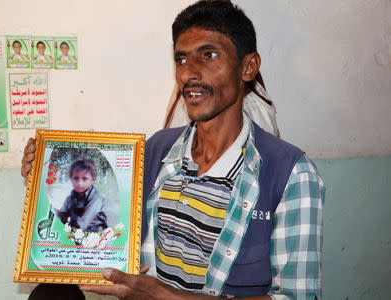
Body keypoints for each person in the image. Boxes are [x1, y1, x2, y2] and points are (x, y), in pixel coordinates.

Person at [21, 1, 324, 299]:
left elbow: (296, 296)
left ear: (248, 67)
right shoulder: (157, 150)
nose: (188, 73)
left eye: (208, 55)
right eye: (181, 59)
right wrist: (44, 176)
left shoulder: (291, 174)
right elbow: (104, 223)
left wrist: (164, 296)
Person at [55, 157, 108, 233]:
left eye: (84, 179)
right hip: (77, 232)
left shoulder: (96, 197)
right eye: (76, 178)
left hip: (94, 235)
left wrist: (64, 231)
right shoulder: (72, 196)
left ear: (93, 180)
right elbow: (62, 215)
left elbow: (82, 223)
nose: (80, 183)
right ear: (71, 178)